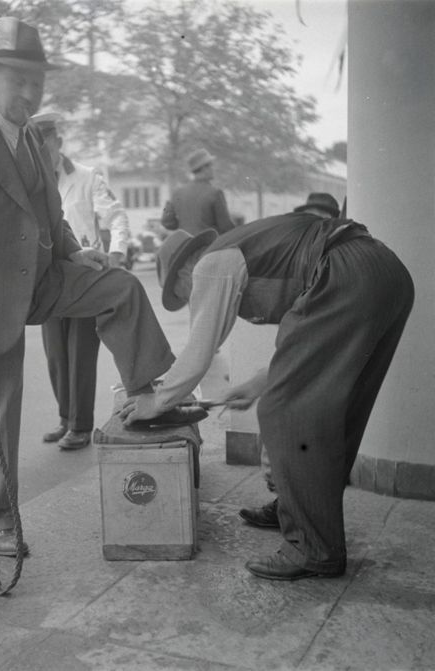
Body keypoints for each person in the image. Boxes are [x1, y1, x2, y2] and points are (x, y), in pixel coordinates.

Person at [0, 17, 187, 558]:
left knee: (120, 287)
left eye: (36, 82)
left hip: (40, 277)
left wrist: (74, 252)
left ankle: (149, 396)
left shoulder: (33, 138)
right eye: (18, 81)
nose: (30, 94)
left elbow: (47, 214)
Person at [120, 211, 414, 580]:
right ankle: (298, 507)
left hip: (345, 274)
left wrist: (157, 400)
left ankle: (312, 547)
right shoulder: (247, 251)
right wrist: (260, 383)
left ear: (185, 272)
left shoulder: (210, 264)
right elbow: (305, 342)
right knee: (338, 406)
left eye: (183, 295)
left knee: (283, 410)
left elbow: (199, 351)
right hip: (384, 272)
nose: (193, 301)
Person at [239, 191, 342, 529]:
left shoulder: (334, 263)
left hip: (327, 356)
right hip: (304, 355)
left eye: (323, 220)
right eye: (310, 219)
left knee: (298, 425)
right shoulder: (299, 262)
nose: (316, 227)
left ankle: (296, 512)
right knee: (281, 417)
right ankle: (285, 504)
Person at [31, 111, 131, 450]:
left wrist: (116, 252)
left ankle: (81, 426)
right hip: (50, 277)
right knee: (56, 356)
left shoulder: (88, 177)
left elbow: (116, 216)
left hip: (85, 277)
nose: (42, 154)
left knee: (80, 354)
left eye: (47, 146)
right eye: (35, 148)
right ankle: (65, 419)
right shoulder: (34, 182)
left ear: (58, 142)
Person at [160, 148, 235, 236]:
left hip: (185, 243)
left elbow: (167, 222)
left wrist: (184, 226)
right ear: (204, 168)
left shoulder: (177, 193)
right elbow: (226, 227)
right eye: (211, 165)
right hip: (209, 243)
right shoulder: (215, 193)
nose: (213, 169)